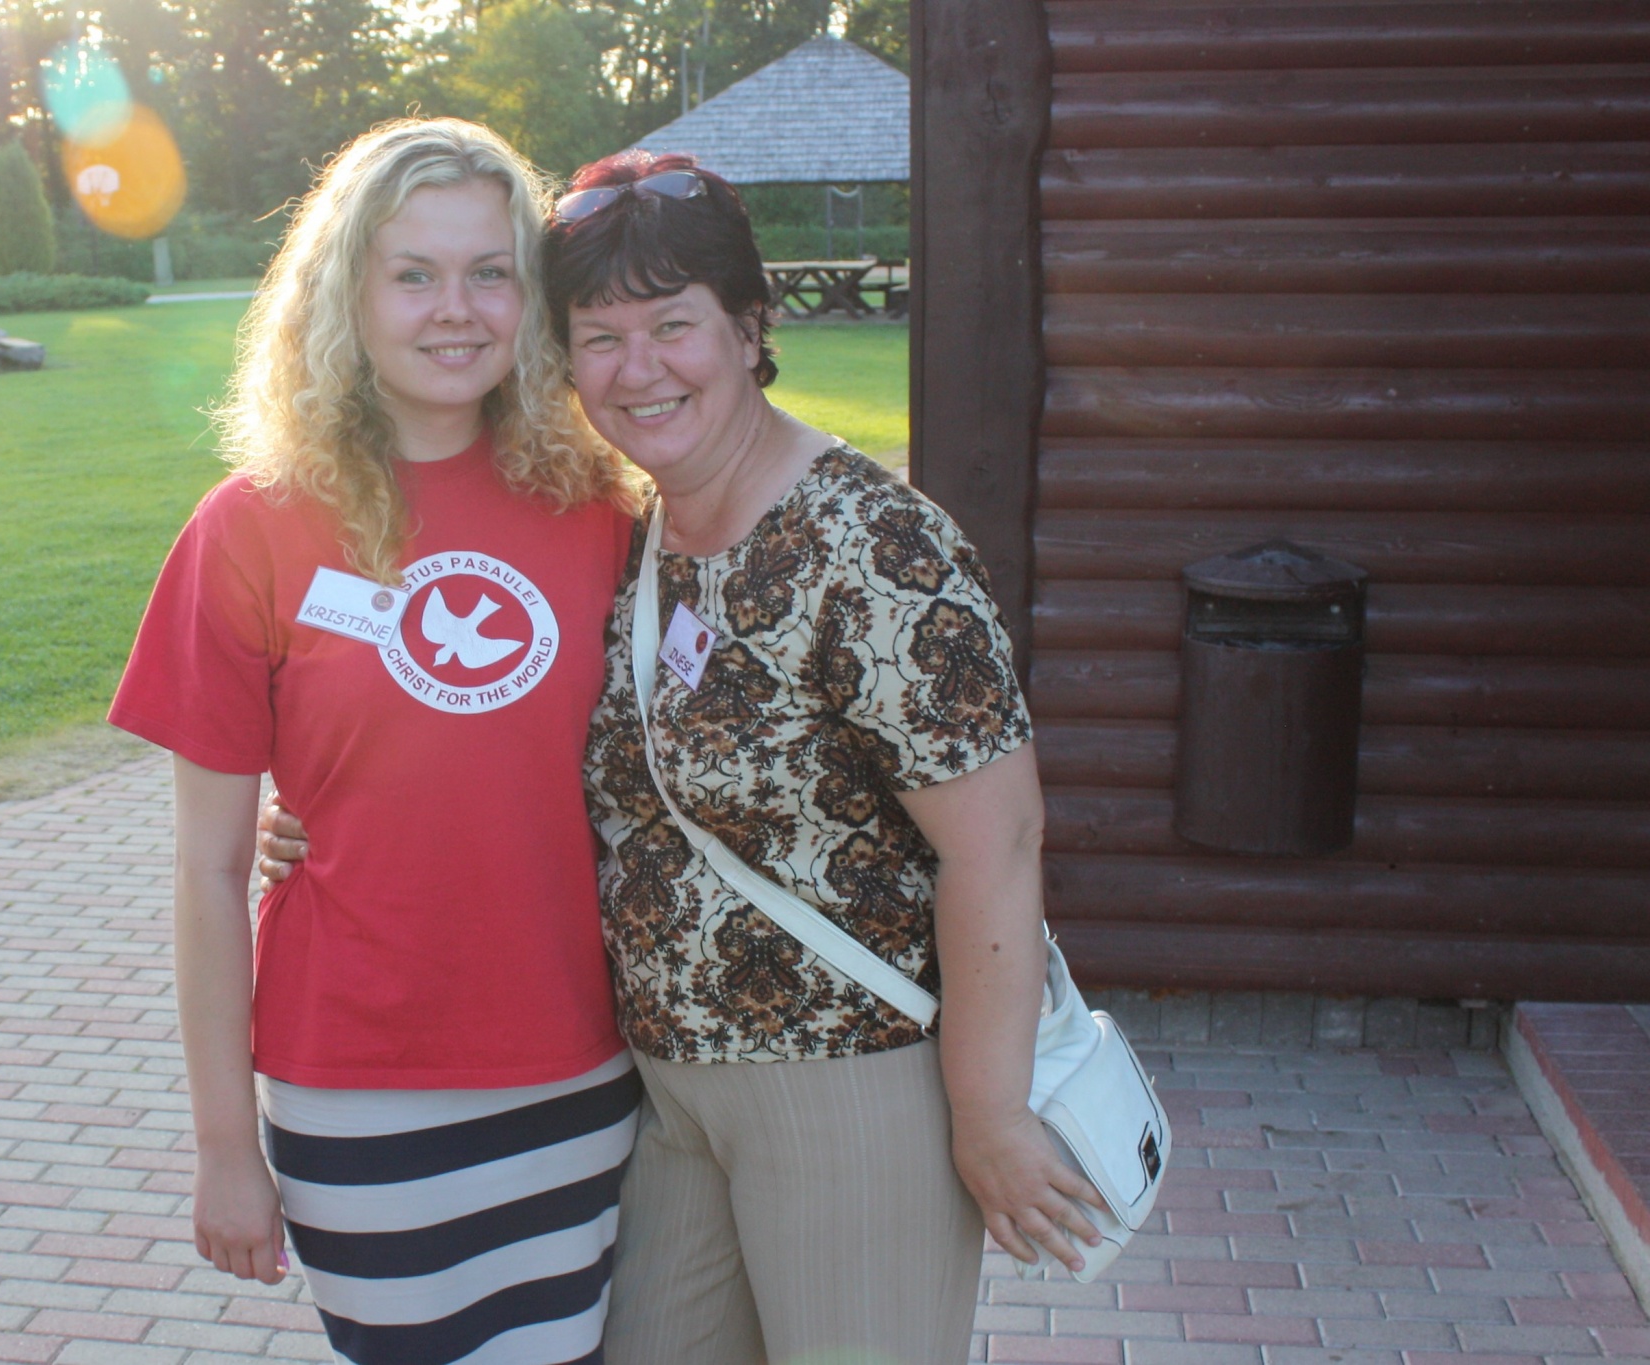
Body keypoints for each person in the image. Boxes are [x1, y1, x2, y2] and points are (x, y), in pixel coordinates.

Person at [261, 150, 1109, 1365]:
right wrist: (313, 816)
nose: (638, 368)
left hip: (849, 1079)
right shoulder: (638, 528)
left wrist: (987, 1114)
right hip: (664, 1093)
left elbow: (1001, 843)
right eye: (598, 338)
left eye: (672, 326)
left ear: (748, 328)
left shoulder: (873, 546)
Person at [108, 118, 646, 1365]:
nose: (455, 309)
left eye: (489, 272)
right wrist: (223, 1147)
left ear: (529, 297)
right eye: (413, 274)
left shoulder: (602, 511)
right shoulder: (249, 529)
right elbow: (205, 871)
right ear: (345, 294)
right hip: (359, 1086)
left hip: (583, 1071)